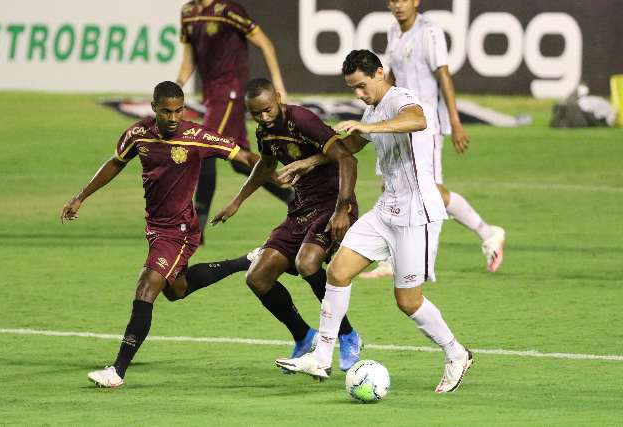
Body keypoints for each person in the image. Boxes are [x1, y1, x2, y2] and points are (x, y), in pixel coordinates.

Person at [275, 50, 473, 394]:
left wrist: (368, 125)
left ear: (380, 73)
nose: (359, 94)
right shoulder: (374, 109)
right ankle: (321, 359)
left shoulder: (400, 99)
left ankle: (456, 353)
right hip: (387, 210)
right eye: (353, 89)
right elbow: (351, 144)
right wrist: (307, 162)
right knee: (337, 271)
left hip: (415, 214)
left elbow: (417, 120)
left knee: (408, 301)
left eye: (362, 86)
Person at [61, 81, 259, 388]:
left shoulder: (197, 136)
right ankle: (246, 261)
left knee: (146, 287)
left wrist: (280, 169)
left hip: (179, 230)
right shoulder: (138, 135)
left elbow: (244, 157)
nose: (173, 117)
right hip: (155, 228)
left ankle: (117, 371)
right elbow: (115, 163)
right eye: (166, 111)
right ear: (153, 108)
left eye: (179, 110)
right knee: (176, 289)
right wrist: (80, 196)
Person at [210, 78, 363, 371]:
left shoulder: (301, 120)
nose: (264, 118)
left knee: (307, 263)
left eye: (268, 110)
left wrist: (343, 209)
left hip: (332, 204)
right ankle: (305, 336)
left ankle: (348, 335)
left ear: (278, 98)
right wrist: (237, 201)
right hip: (301, 209)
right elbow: (266, 165)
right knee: (257, 277)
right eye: (256, 114)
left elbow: (347, 158)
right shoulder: (264, 131)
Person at [360, 0, 505, 279]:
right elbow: (391, 76)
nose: (397, 5)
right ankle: (393, 261)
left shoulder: (430, 32)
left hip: (425, 126)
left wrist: (455, 121)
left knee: (431, 192)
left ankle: (468, 243)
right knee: (392, 185)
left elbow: (444, 75)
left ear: (416, 1)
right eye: (392, 0)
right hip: (400, 122)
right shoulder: (394, 31)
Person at [176, 0, 293, 241]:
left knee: (204, 148)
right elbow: (190, 59)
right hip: (212, 95)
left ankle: (197, 227)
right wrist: (177, 85)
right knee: (242, 162)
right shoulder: (188, 12)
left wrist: (278, 85)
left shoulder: (228, 10)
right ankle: (294, 196)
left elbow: (266, 44)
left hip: (230, 92)